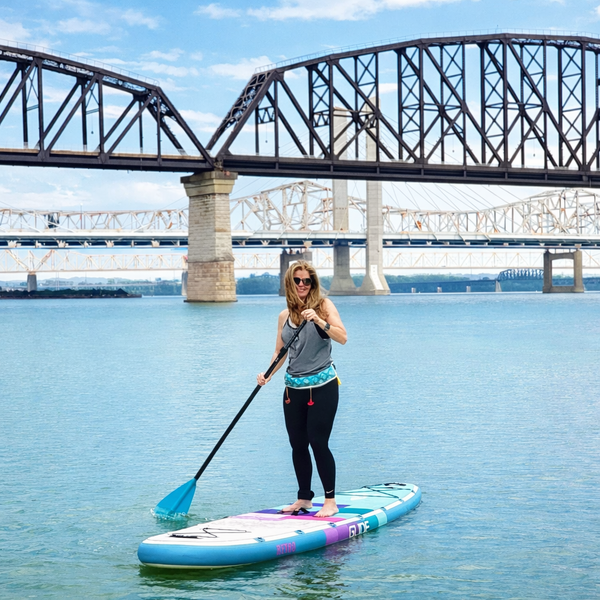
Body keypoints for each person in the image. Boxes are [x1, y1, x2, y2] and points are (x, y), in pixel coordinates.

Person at [257, 260, 347, 518]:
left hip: (322, 387)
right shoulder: (284, 316)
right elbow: (279, 352)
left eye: (307, 281)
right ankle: (304, 498)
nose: (302, 285)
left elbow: (342, 337)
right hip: (292, 389)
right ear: (289, 283)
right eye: (297, 280)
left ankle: (330, 501)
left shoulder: (324, 306)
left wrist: (319, 320)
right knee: (297, 444)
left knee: (319, 442)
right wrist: (267, 375)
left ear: (313, 283)